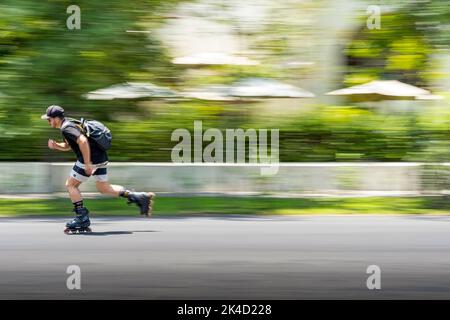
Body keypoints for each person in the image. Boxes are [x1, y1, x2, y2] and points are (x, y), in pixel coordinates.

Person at [41, 105, 154, 232]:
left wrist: (88, 163)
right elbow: (69, 146)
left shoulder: (66, 128)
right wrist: (56, 146)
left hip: (89, 160)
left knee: (71, 185)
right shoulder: (70, 124)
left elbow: (83, 141)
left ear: (56, 118)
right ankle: (138, 197)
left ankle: (81, 218)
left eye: (49, 119)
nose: (48, 121)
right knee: (104, 188)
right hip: (100, 157)